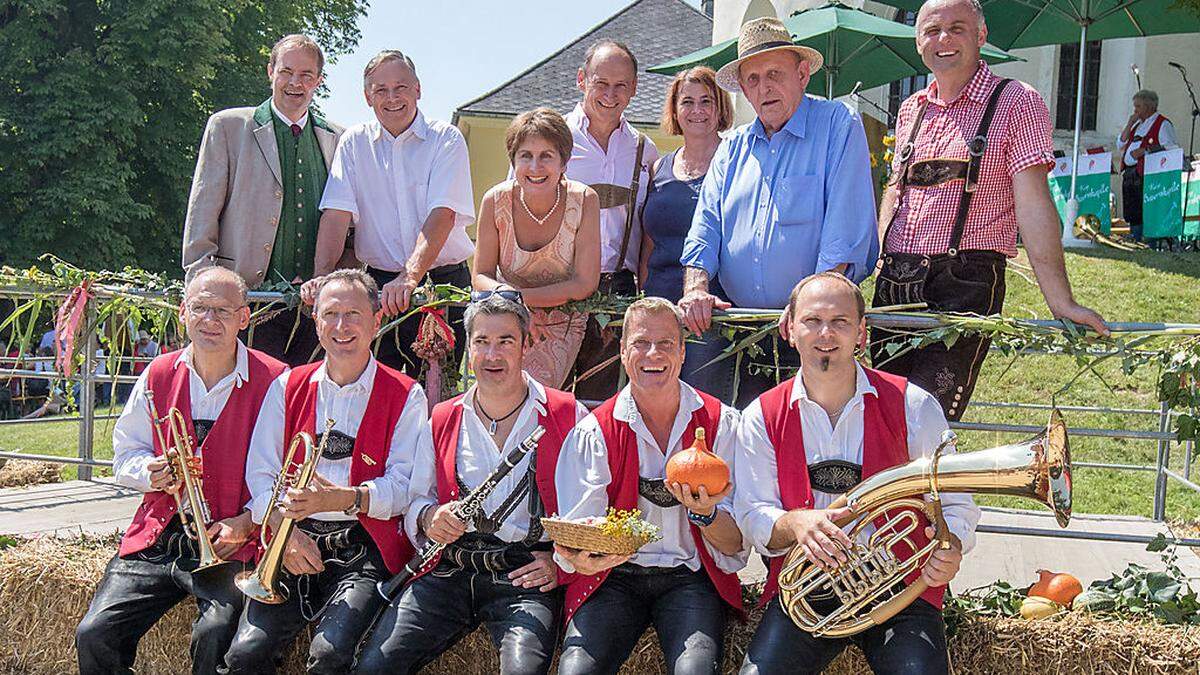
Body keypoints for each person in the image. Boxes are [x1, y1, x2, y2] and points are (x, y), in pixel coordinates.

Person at [872, 0, 1107, 422]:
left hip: (963, 283)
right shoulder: (912, 109)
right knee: (879, 420)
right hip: (894, 284)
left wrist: (1060, 300)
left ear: (981, 35)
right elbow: (895, 191)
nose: (943, 39)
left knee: (926, 422)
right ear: (918, 41)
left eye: (956, 28)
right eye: (931, 30)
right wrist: (870, 265)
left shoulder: (1016, 101)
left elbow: (1033, 202)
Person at [734, 273, 980, 675]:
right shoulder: (761, 416)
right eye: (812, 320)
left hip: (901, 591)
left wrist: (950, 547)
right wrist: (796, 523)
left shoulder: (913, 406)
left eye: (840, 321)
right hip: (808, 591)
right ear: (789, 329)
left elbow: (958, 503)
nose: (826, 333)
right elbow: (751, 511)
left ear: (862, 333)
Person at [356, 292, 589, 674]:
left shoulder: (567, 413)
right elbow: (418, 501)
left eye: (505, 342)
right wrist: (430, 517)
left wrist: (560, 563)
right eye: (481, 342)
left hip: (522, 576)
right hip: (449, 571)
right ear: (470, 348)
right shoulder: (443, 417)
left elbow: (588, 507)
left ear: (526, 345)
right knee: (373, 668)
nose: (492, 355)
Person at [75, 267, 287, 675]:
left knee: (215, 635)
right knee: (95, 633)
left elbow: (285, 472)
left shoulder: (276, 379)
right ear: (182, 312)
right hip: (160, 536)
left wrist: (246, 522)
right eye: (200, 308)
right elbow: (126, 455)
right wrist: (150, 472)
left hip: (230, 539)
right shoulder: (158, 372)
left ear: (244, 318)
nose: (210, 320)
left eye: (223, 311)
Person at [223, 270, 429, 674]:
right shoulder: (287, 386)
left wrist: (346, 499)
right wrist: (284, 525)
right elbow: (261, 474)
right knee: (245, 655)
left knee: (330, 655)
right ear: (316, 322)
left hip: (363, 547)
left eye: (353, 314)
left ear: (377, 321)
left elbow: (407, 486)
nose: (341, 326)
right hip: (293, 538)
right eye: (330, 314)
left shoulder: (407, 394)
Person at [679, 17, 878, 407]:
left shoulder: (838, 125)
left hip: (810, 332)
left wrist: (810, 307)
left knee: (806, 450)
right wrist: (695, 288)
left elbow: (844, 233)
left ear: (802, 73)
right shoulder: (732, 146)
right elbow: (705, 228)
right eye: (752, 79)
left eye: (774, 73)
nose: (763, 87)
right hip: (738, 329)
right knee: (736, 445)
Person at [553, 298, 747, 675]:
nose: (652, 354)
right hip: (614, 579)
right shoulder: (595, 431)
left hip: (689, 579)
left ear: (683, 351)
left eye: (666, 344)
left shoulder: (723, 424)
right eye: (641, 343)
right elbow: (581, 539)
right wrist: (577, 551)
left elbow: (736, 543)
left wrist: (706, 514)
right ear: (623, 352)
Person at [182, 34, 345, 366]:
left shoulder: (339, 139)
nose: (295, 83)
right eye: (286, 71)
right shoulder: (228, 127)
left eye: (306, 75)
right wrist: (203, 294)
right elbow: (201, 217)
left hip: (314, 309)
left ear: (319, 81)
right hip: (247, 303)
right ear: (270, 71)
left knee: (305, 409)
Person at [312, 50, 475, 380]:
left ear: (418, 89)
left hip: (442, 282)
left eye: (400, 87)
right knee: (371, 389)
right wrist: (323, 278)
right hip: (376, 286)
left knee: (436, 390)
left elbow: (441, 215)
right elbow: (336, 213)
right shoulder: (354, 143)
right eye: (381, 89)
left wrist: (409, 277)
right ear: (367, 96)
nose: (392, 98)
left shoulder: (446, 139)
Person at [473, 108, 601, 389]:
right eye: (526, 156)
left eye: (546, 156)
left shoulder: (585, 200)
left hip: (562, 324)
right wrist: (514, 308)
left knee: (539, 402)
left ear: (564, 162)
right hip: (506, 319)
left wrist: (521, 299)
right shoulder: (494, 200)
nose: (535, 167)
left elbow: (584, 283)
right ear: (513, 160)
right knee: (497, 395)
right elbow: (481, 274)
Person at [562, 40, 660, 401]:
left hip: (617, 290)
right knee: (544, 400)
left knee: (598, 404)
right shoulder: (551, 139)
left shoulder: (644, 151)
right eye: (601, 83)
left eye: (621, 85)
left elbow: (651, 231)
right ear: (581, 80)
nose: (610, 94)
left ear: (633, 89)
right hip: (556, 284)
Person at [640, 67, 732, 303]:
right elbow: (648, 246)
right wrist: (642, 299)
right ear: (675, 110)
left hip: (714, 309)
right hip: (659, 304)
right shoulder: (657, 168)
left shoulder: (736, 163)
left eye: (706, 101)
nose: (697, 110)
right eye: (687, 102)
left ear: (720, 107)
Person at [1119, 89, 1177, 243]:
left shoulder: (1162, 123)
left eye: (1138, 106)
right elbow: (1120, 143)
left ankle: (1145, 241)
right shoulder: (1137, 125)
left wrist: (1146, 150)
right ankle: (1134, 238)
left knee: (1144, 210)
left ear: (1149, 107)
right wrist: (1130, 122)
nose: (1135, 110)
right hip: (1131, 173)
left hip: (1147, 174)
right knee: (1132, 210)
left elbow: (1171, 148)